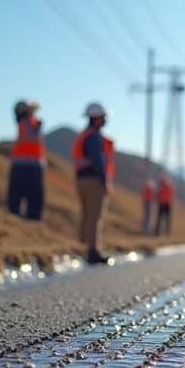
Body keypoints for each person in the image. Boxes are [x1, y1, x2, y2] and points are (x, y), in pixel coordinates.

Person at [72, 102, 113, 265]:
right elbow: (98, 161)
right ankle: (93, 251)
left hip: (81, 179)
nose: (105, 120)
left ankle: (84, 248)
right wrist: (104, 181)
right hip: (93, 180)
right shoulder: (94, 137)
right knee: (94, 217)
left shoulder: (84, 135)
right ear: (96, 118)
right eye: (103, 117)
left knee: (86, 215)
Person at [7, 100, 46, 220]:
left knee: (17, 197)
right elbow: (33, 137)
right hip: (30, 167)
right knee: (33, 198)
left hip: (21, 165)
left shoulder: (24, 123)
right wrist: (38, 126)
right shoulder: (27, 123)